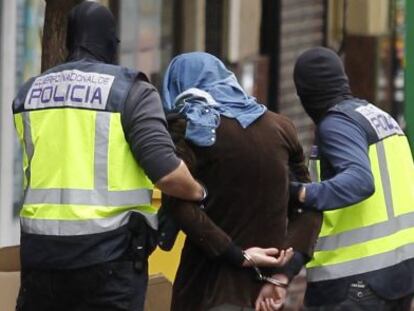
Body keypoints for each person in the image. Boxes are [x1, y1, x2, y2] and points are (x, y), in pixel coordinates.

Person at [12, 2, 207, 311]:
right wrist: (199, 191)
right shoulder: (130, 90)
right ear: (110, 41)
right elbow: (167, 174)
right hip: (108, 260)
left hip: (41, 259)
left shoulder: (28, 94)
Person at [161, 52, 322, 311]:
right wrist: (282, 276)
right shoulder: (281, 127)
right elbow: (310, 204)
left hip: (206, 291)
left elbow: (179, 206)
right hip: (264, 296)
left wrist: (237, 254)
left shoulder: (191, 130)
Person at [291, 47, 414, 310]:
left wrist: (301, 193)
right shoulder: (381, 118)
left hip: (354, 282)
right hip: (398, 276)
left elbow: (360, 181)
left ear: (306, 92)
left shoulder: (337, 124)